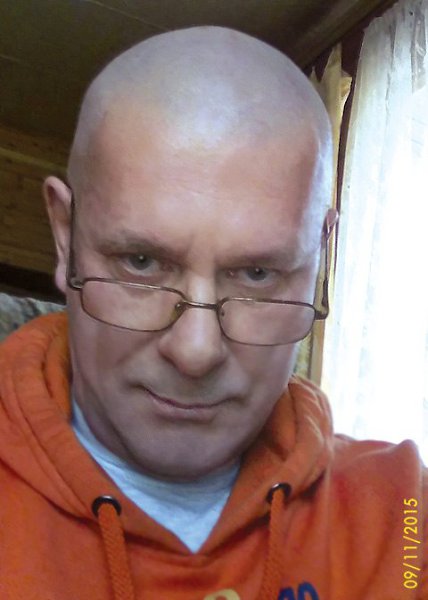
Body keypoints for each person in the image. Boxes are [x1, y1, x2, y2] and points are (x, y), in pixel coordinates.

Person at [0, 26, 426, 600]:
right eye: (142, 262)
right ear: (64, 237)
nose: (196, 351)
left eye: (257, 274)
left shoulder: (406, 519)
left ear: (321, 259)